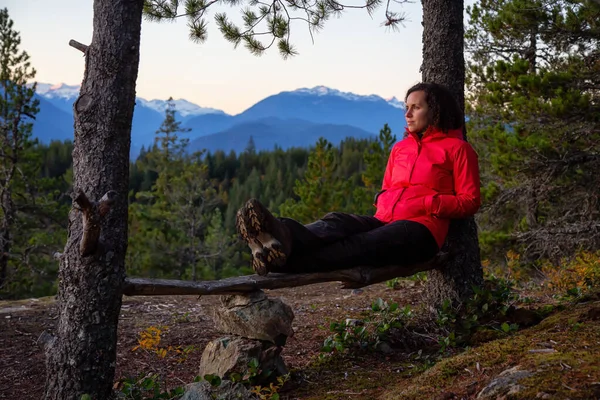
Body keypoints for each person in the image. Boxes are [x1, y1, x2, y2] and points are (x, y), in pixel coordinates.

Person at [235, 82, 481, 276]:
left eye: (415, 107)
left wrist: (429, 202)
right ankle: (280, 233)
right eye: (406, 107)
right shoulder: (400, 149)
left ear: (436, 110)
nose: (407, 113)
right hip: (384, 219)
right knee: (337, 222)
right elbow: (389, 189)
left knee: (359, 244)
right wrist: (383, 200)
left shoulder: (457, 149)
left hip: (421, 230)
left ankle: (281, 262)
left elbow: (470, 201)